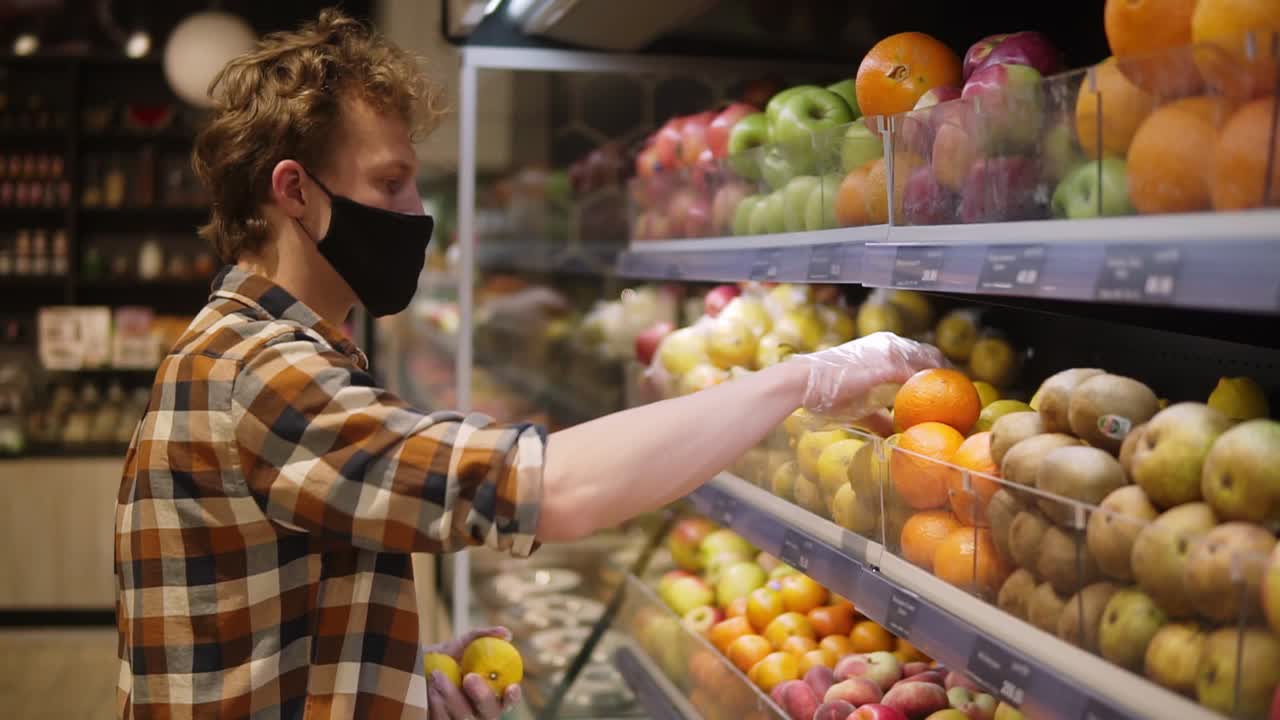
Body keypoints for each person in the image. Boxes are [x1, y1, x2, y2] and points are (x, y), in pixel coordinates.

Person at [113, 9, 944, 720]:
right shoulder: (261, 374)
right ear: (293, 191)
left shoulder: (253, 347)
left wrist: (398, 678)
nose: (417, 213)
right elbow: (552, 490)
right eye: (393, 183)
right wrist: (803, 377)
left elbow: (265, 624)